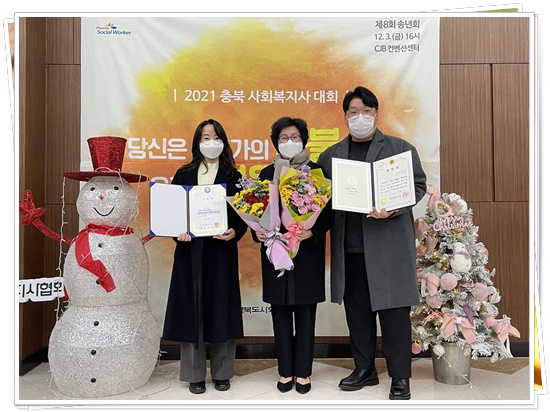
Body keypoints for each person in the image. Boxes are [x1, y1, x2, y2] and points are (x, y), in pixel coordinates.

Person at [317, 86, 427, 400]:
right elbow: (321, 199)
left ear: (376, 115)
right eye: (354, 112)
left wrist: (393, 208)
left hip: (388, 248)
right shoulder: (331, 155)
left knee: (394, 316)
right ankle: (364, 370)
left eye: (366, 112)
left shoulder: (399, 148)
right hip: (349, 249)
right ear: (345, 116)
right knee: (358, 316)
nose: (360, 118)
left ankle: (400, 377)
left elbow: (418, 185)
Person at [162, 119, 248, 394]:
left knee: (222, 309)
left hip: (221, 252)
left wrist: (235, 231)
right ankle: (194, 373)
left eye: (216, 137)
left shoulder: (234, 176)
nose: (211, 143)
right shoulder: (184, 173)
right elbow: (173, 212)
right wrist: (178, 233)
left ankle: (222, 372)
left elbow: (244, 215)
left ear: (224, 141)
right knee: (192, 310)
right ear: (197, 143)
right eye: (206, 138)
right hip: (191, 252)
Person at [252, 116, 333, 394]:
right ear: (276, 142)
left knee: (306, 316)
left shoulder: (317, 172)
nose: (290, 142)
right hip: (275, 251)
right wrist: (258, 233)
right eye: (284, 138)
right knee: (280, 315)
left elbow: (329, 214)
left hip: (306, 253)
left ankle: (304, 373)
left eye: (295, 137)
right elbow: (256, 208)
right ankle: (285, 371)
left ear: (304, 140)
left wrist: (312, 232)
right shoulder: (266, 174)